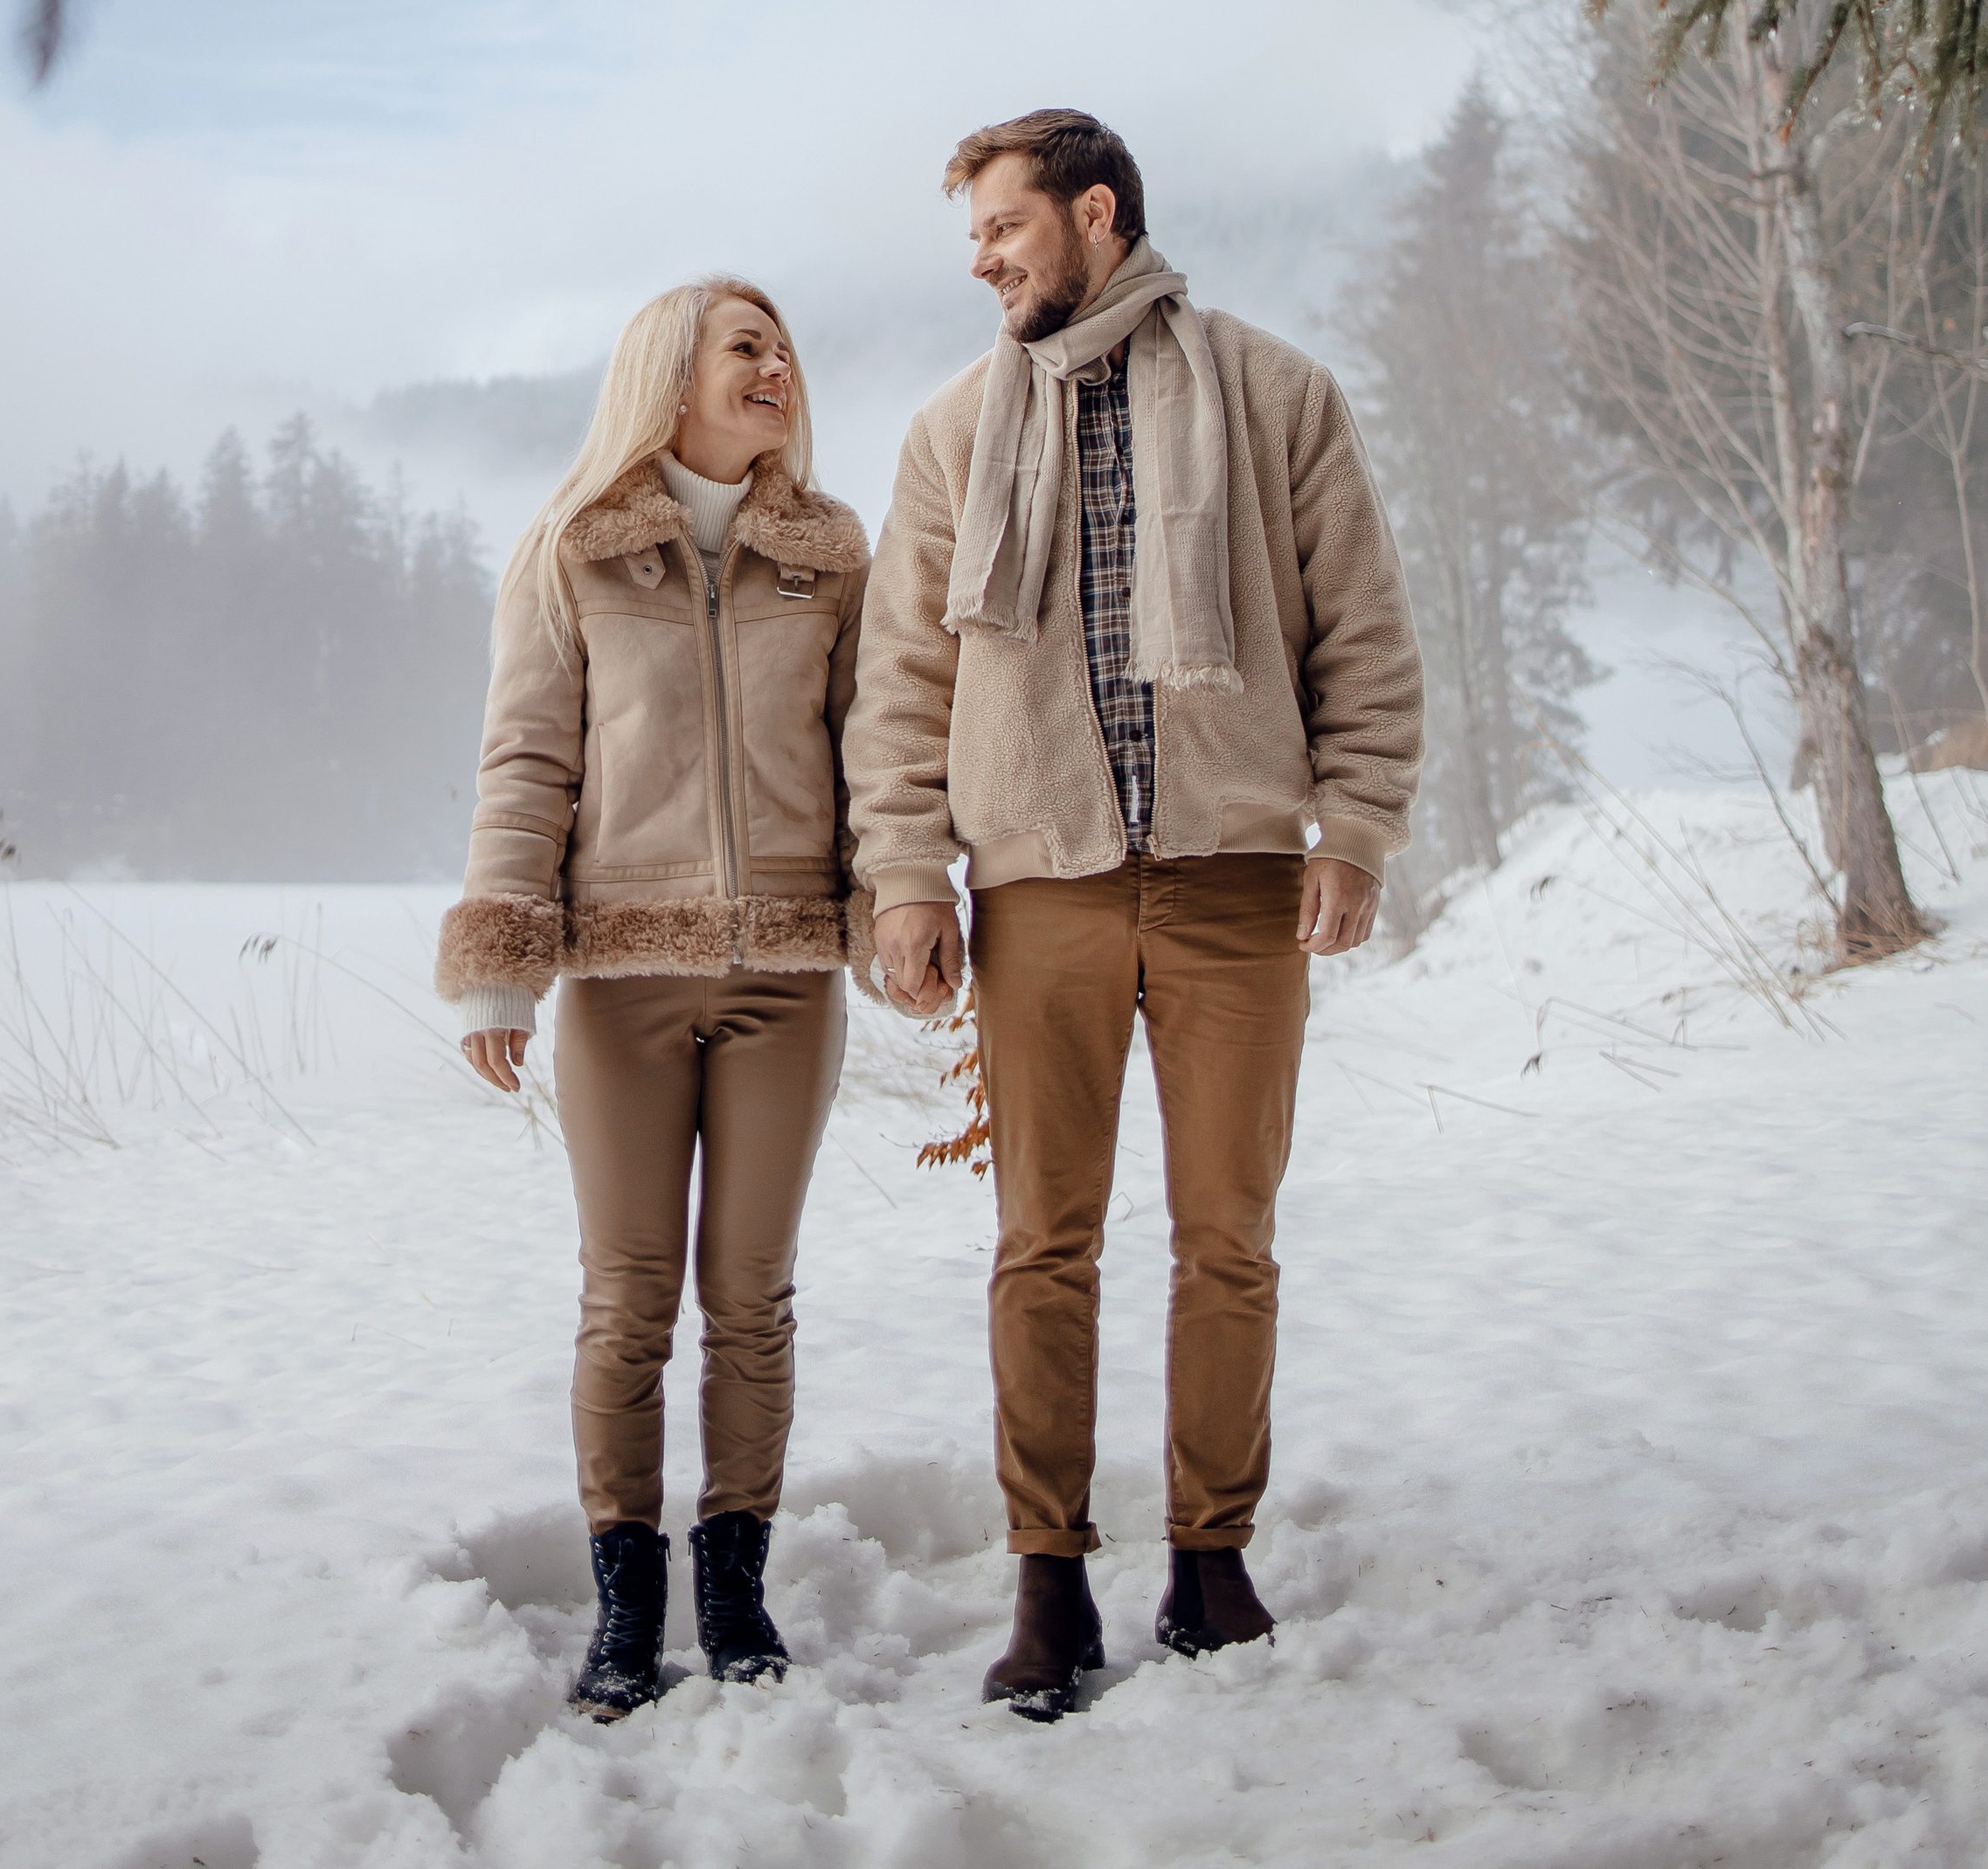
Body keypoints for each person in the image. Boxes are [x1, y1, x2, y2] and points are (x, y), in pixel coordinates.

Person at [845, 109, 1424, 1720]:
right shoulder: (956, 433)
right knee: (1045, 1249)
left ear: (1096, 216)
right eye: (971, 239)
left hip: (1238, 881)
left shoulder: (1275, 393)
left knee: (1227, 1240)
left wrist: (1356, 828)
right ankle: (1048, 1576)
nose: (981, 261)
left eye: (1003, 229)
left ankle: (1211, 1555)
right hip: (1039, 888)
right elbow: (901, 687)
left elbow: (1364, 638)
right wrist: (907, 876)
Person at [434, 279, 872, 1718]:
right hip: (618, 981)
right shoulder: (578, 550)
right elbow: (527, 768)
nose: (777, 365)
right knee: (628, 1301)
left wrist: (899, 913)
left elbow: (876, 753)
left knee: (753, 1297)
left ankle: (734, 1591)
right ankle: (628, 1606)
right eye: (744, 346)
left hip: (789, 982)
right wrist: (502, 963)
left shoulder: (829, 553)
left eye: (784, 347)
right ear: (665, 378)